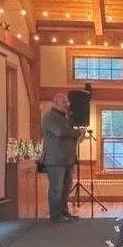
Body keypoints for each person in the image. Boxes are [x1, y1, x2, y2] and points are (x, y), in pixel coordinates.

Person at [41, 92, 81, 222]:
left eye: (67, 102)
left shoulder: (65, 117)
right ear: (55, 103)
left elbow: (68, 134)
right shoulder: (50, 117)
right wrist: (78, 132)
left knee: (66, 188)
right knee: (56, 188)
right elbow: (60, 132)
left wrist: (77, 135)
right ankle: (56, 215)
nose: (67, 104)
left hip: (67, 159)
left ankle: (64, 212)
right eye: (63, 102)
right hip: (55, 159)